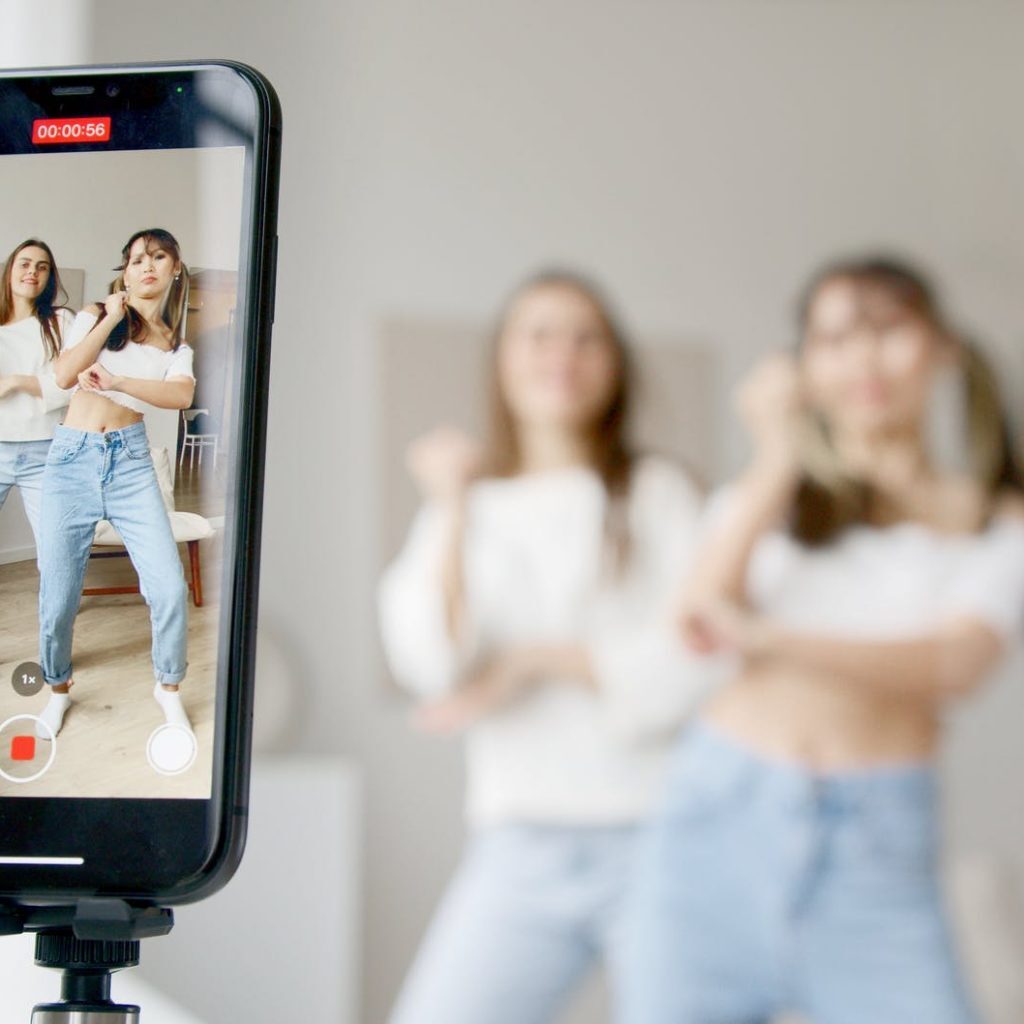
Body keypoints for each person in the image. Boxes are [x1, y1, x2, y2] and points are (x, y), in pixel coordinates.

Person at [619, 257, 1024, 1024]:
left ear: (941, 348)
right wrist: (777, 454)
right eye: (833, 339)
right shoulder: (770, 499)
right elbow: (698, 620)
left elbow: (953, 666)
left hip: (876, 851)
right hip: (714, 827)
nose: (862, 359)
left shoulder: (992, 520)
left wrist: (771, 638)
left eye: (887, 330)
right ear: (802, 366)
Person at [379, 270, 717, 1024]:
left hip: (661, 838)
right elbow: (431, 661)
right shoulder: (468, 505)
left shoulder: (658, 492)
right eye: (539, 334)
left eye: (586, 337)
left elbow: (698, 660)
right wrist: (454, 502)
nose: (562, 354)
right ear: (502, 358)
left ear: (615, 363)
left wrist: (532, 663)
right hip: (519, 841)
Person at [35, 228, 196, 741]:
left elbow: (180, 396)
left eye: (157, 257)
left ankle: (167, 691)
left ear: (174, 268)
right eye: (135, 260)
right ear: (124, 272)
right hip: (70, 460)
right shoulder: (96, 316)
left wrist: (121, 382)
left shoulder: (176, 343)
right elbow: (63, 375)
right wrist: (109, 316)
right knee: (57, 597)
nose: (146, 266)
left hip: (130, 464)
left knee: (169, 588)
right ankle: (57, 690)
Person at [0, 238, 73, 545]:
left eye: (42, 267)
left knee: (56, 548)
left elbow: (74, 385)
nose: (33, 272)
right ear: (10, 271)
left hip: (46, 449)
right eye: (26, 264)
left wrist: (17, 382)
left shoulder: (62, 321)